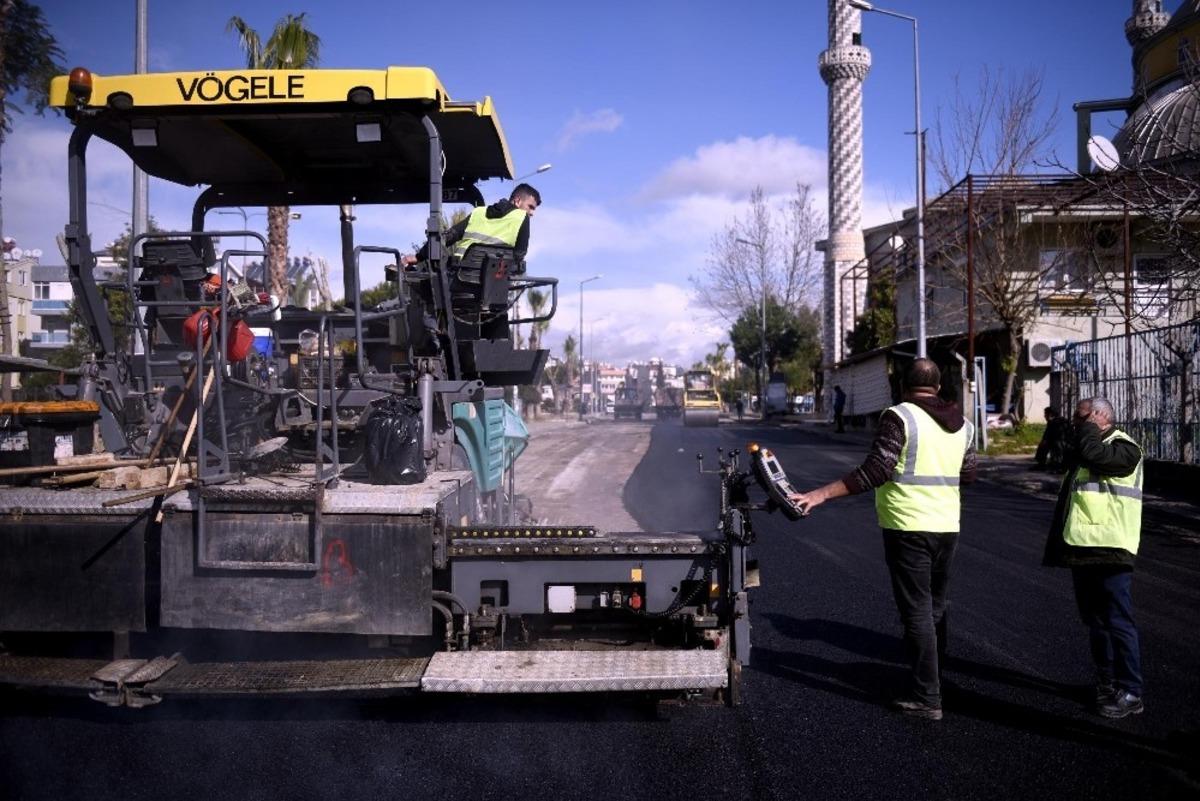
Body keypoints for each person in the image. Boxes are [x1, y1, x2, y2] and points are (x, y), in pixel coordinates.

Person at [789, 359, 976, 721]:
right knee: (936, 608)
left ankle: (927, 697)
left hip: (908, 527)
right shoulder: (964, 425)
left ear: (903, 385)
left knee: (917, 613)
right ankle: (936, 682)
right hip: (947, 527)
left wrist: (821, 494)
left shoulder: (900, 417)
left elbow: (876, 470)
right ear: (938, 385)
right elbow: (968, 475)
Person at [1043, 397, 1145, 719]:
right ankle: (1106, 683)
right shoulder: (1085, 444)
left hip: (1114, 550)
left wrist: (1087, 430)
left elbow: (1094, 454)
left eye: (1082, 417)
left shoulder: (1126, 447)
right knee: (1096, 622)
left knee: (1118, 621)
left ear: (1101, 416)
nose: (1076, 422)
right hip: (1085, 548)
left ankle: (1131, 691)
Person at [402, 183, 541, 267]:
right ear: (517, 201)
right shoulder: (521, 217)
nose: (532, 213)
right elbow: (519, 256)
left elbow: (447, 237)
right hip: (492, 290)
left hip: (458, 281)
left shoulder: (478, 213)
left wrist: (419, 256)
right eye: (531, 207)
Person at [1035, 406, 1071, 471]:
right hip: (1064, 442)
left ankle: (1043, 464)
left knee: (1045, 444)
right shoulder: (1062, 420)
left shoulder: (1054, 422)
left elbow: (1048, 436)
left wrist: (1044, 441)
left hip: (1060, 443)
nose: (1044, 416)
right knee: (1046, 443)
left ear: (1050, 414)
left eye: (1045, 414)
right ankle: (1049, 463)